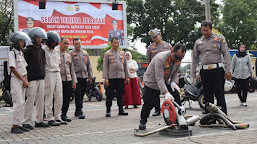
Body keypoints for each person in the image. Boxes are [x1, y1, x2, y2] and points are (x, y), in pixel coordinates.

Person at [139, 44, 186, 130]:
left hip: (165, 81)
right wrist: (166, 93)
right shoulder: (161, 58)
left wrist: (173, 83)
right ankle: (143, 121)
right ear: (172, 51)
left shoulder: (178, 60)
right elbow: (158, 77)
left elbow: (175, 73)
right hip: (151, 82)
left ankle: (180, 119)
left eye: (181, 58)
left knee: (176, 97)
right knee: (149, 104)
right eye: (176, 57)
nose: (178, 60)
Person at [190, 21, 232, 115]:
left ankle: (222, 114)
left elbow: (226, 54)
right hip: (205, 71)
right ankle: (210, 115)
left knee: (219, 93)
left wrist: (228, 70)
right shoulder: (198, 42)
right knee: (207, 94)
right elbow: (195, 58)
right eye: (203, 30)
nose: (205, 32)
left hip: (217, 70)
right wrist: (193, 74)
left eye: (207, 30)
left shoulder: (219, 38)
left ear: (211, 29)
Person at [23, 27, 49, 130]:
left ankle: (39, 120)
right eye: (38, 38)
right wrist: (26, 79)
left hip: (41, 78)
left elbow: (43, 63)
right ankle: (26, 122)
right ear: (33, 38)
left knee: (40, 101)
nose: (40, 40)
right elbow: (25, 66)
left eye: (41, 38)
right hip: (32, 79)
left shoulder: (42, 51)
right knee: (30, 100)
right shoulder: (28, 51)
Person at [146, 29, 172, 116]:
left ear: (160, 35)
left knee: (169, 90)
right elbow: (149, 61)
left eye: (156, 37)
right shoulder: (150, 48)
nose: (154, 39)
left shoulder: (168, 45)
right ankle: (157, 109)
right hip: (156, 73)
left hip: (167, 72)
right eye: (153, 38)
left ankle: (171, 108)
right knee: (155, 92)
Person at [43, 31, 67, 126]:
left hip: (57, 73)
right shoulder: (44, 50)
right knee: (49, 96)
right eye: (52, 42)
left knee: (59, 96)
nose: (54, 44)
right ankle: (49, 117)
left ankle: (58, 116)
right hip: (48, 73)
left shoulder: (57, 50)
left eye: (55, 42)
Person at [8, 32, 31, 133]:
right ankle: (14, 126)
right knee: (18, 103)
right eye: (21, 41)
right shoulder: (12, 53)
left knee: (22, 103)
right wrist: (23, 80)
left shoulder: (20, 54)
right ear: (15, 42)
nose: (22, 43)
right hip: (16, 80)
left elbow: (24, 68)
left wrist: (25, 80)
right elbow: (13, 68)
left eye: (23, 41)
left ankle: (19, 123)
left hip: (22, 80)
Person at [103, 37, 130, 117]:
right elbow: (105, 66)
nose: (117, 44)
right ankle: (108, 110)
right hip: (111, 78)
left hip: (121, 77)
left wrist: (127, 76)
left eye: (118, 42)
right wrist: (106, 78)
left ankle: (121, 110)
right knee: (109, 95)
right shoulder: (107, 54)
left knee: (120, 94)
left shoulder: (122, 53)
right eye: (115, 42)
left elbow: (126, 66)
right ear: (111, 43)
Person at [69, 38, 93, 119]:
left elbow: (89, 65)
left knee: (82, 94)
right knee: (78, 95)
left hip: (84, 77)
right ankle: (80, 111)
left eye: (79, 43)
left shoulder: (85, 53)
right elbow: (69, 67)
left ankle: (77, 110)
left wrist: (90, 76)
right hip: (76, 78)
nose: (78, 45)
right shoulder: (71, 54)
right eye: (76, 44)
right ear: (73, 45)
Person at [59, 37, 77, 122]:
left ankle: (64, 115)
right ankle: (57, 115)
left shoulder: (68, 55)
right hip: (59, 80)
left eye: (67, 44)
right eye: (64, 43)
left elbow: (72, 69)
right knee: (59, 98)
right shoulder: (56, 54)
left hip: (68, 80)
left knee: (67, 98)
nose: (66, 45)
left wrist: (74, 81)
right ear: (60, 43)